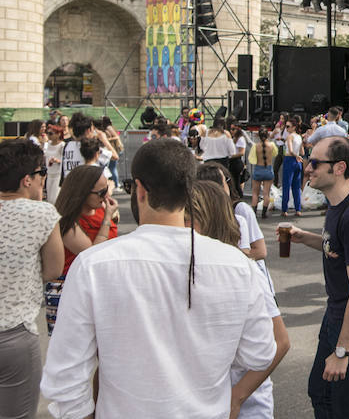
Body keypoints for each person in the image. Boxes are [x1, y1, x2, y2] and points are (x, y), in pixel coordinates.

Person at [41, 138, 276, 418]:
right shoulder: (238, 265)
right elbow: (260, 353)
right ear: (191, 189)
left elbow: (65, 376)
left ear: (140, 190)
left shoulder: (94, 265)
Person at [283, 137, 349, 418]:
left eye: (316, 162)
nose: (308, 168)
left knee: (345, 404)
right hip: (338, 312)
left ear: (339, 167)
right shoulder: (338, 204)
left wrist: (342, 352)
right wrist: (304, 237)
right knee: (321, 393)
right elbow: (337, 246)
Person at [187, 181, 291, 419]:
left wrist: (237, 397)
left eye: (186, 218)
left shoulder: (242, 268)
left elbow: (281, 342)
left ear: (205, 219)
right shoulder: (187, 265)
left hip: (247, 402)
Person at [0, 140, 64, 419]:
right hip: (15, 332)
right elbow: (53, 269)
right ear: (27, 180)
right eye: (41, 175)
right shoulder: (42, 213)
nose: (43, 181)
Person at [44, 164, 119, 336]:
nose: (105, 196)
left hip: (99, 285)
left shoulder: (101, 209)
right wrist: (108, 218)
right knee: (70, 352)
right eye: (100, 192)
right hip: (69, 288)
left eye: (106, 189)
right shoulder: (66, 222)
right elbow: (92, 254)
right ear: (82, 192)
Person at [59, 113, 118, 182]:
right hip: (86, 185)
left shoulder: (67, 145)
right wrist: (105, 140)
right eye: (93, 129)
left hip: (70, 184)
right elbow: (115, 157)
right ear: (88, 130)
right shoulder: (89, 146)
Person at [250, 127, 278, 218]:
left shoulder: (255, 146)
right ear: (267, 135)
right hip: (268, 170)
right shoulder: (272, 145)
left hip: (258, 169)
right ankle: (264, 213)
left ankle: (254, 213)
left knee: (255, 193)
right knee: (266, 193)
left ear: (258, 135)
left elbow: (251, 158)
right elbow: (275, 154)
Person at [282, 117, 304, 218]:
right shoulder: (299, 137)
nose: (286, 129)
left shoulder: (290, 136)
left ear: (293, 127)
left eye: (288, 126)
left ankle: (284, 209)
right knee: (296, 186)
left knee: (286, 186)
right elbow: (302, 151)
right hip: (298, 162)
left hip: (290, 160)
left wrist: (296, 155)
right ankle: (298, 209)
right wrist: (299, 156)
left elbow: (290, 150)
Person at [99, 116, 123, 191]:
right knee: (111, 167)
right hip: (113, 149)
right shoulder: (107, 128)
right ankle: (115, 183)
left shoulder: (109, 128)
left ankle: (116, 184)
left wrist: (106, 139)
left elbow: (116, 137)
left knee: (112, 167)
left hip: (115, 149)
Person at [44, 124, 65, 204]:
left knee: (55, 199)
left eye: (51, 133)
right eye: (47, 133)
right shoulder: (47, 144)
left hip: (58, 175)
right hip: (49, 174)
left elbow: (64, 160)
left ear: (58, 134)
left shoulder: (62, 145)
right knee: (49, 199)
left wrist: (57, 161)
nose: (48, 135)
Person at [230, 120, 250, 192]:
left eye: (233, 129)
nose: (231, 131)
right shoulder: (233, 138)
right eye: (231, 129)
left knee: (237, 183)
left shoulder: (241, 139)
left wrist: (231, 156)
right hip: (233, 162)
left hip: (237, 162)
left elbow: (242, 152)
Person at [272, 113, 288, 188]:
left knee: (285, 168)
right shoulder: (278, 128)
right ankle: (275, 184)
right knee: (275, 167)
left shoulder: (287, 128)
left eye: (282, 119)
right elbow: (271, 136)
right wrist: (275, 130)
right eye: (280, 118)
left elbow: (288, 139)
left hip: (284, 147)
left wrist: (281, 138)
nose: (280, 120)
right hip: (278, 147)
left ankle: (285, 184)